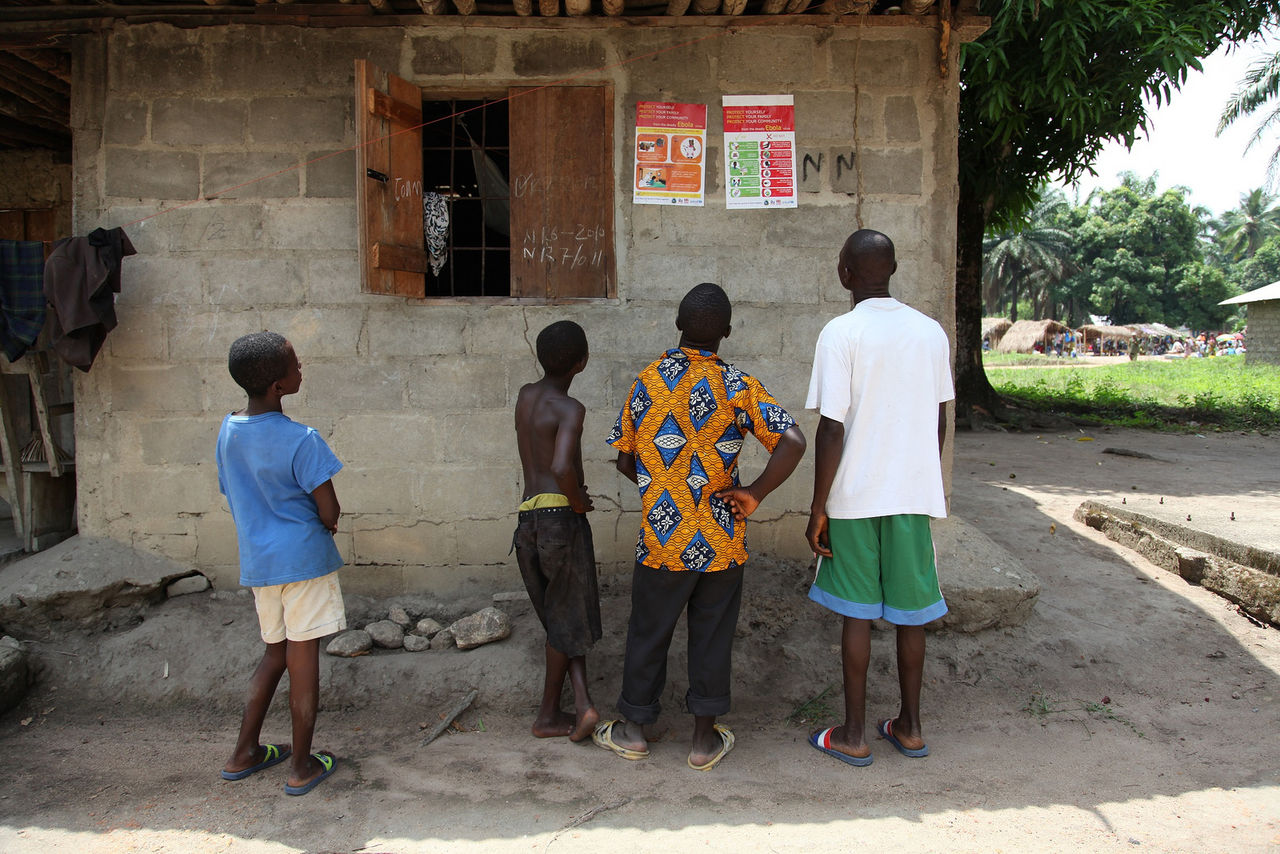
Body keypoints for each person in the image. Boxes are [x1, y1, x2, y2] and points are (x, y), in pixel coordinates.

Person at [600, 283, 806, 771]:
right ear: (728, 333)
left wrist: (659, 484)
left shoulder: (649, 379)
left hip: (663, 537)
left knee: (649, 631)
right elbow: (793, 440)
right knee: (712, 635)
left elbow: (626, 460)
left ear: (677, 325)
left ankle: (632, 730)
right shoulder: (738, 385)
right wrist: (754, 492)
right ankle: (703, 740)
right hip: (720, 538)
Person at [804, 230, 953, 768]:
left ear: (844, 272)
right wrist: (920, 477)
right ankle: (910, 728)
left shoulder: (840, 333)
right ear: (893, 269)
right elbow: (938, 418)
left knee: (857, 618)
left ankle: (854, 734)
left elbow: (830, 428)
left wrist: (819, 506)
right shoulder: (930, 332)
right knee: (911, 617)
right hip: (911, 496)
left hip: (854, 496)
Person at [216, 331, 344, 796]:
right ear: (277, 386)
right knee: (303, 656)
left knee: (275, 653)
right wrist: (326, 524)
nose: (301, 366)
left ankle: (243, 752)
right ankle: (302, 765)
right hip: (304, 561)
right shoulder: (303, 440)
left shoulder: (228, 432)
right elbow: (329, 510)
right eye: (294, 363)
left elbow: (233, 492)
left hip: (261, 563)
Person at [513, 320, 602, 743]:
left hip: (526, 521)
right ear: (581, 363)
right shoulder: (570, 408)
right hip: (559, 521)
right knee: (564, 619)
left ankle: (580, 705)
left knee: (560, 620)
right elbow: (563, 467)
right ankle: (549, 715)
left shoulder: (525, 397)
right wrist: (580, 501)